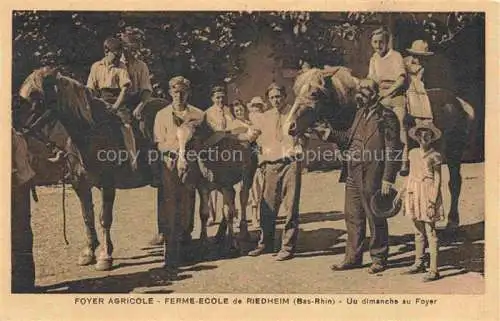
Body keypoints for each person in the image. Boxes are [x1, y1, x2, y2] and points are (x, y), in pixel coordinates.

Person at [329, 78, 402, 274]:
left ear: (375, 94)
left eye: (366, 89)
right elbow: (348, 139)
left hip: (374, 174)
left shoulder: (387, 116)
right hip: (353, 173)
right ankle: (353, 257)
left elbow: (393, 149)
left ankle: (378, 258)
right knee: (352, 216)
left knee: (375, 215)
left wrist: (388, 178)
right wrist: (329, 134)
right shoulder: (359, 113)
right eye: (360, 88)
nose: (361, 92)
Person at [247, 83, 304, 261]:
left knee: (290, 207)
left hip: (290, 164)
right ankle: (266, 243)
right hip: (271, 166)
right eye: (272, 98)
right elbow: (251, 139)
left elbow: (305, 135)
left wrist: (299, 147)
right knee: (267, 206)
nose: (275, 100)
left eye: (278, 96)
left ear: (284, 96)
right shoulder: (263, 117)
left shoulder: (295, 113)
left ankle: (287, 246)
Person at [153, 76, 204, 273]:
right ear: (170, 93)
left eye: (183, 92)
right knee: (169, 204)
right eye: (175, 92)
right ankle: (170, 252)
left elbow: (202, 141)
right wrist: (175, 152)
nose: (179, 95)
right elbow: (158, 142)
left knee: (188, 202)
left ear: (188, 93)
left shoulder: (198, 115)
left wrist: (189, 154)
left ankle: (186, 245)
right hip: (169, 163)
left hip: (190, 162)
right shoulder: (161, 115)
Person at [401, 121, 444, 282]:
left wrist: (433, 202)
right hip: (414, 191)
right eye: (421, 134)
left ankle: (434, 269)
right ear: (417, 136)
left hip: (427, 192)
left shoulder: (435, 156)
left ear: (432, 137)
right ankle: (419, 262)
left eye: (427, 134)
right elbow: (411, 175)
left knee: (430, 231)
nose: (424, 137)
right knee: (417, 230)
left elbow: (438, 180)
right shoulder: (412, 153)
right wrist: (402, 192)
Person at [87, 37, 136, 171]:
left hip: (118, 101)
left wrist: (116, 107)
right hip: (101, 101)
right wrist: (93, 104)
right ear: (106, 51)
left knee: (126, 126)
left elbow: (124, 89)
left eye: (120, 54)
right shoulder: (96, 67)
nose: (118, 57)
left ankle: (132, 159)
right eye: (115, 54)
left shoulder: (121, 67)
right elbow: (90, 88)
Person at [367, 26, 409, 176]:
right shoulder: (374, 59)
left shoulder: (395, 56)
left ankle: (405, 159)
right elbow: (371, 78)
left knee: (400, 121)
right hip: (379, 96)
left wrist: (388, 92)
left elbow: (401, 79)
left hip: (395, 94)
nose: (378, 46)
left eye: (381, 42)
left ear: (387, 42)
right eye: (375, 42)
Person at [11, 128, 37, 292]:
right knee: (19, 236)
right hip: (15, 190)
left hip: (21, 187)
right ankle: (20, 285)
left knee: (23, 237)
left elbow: (24, 160)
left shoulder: (14, 133)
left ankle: (24, 283)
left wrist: (53, 161)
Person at [404, 40, 434, 123]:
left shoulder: (422, 67)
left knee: (421, 98)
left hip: (417, 88)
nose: (417, 59)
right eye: (415, 56)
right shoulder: (405, 62)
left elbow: (419, 79)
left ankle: (424, 122)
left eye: (421, 57)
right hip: (406, 85)